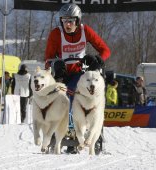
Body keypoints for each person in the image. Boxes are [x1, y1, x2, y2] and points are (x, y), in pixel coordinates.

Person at [45, 3, 111, 153]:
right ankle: (57, 135)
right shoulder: (56, 34)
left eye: (71, 21)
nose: (67, 24)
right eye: (64, 20)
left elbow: (105, 50)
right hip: (61, 75)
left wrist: (98, 59)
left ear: (78, 20)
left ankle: (93, 136)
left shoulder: (85, 31)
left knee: (81, 99)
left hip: (79, 74)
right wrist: (56, 64)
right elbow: (48, 59)